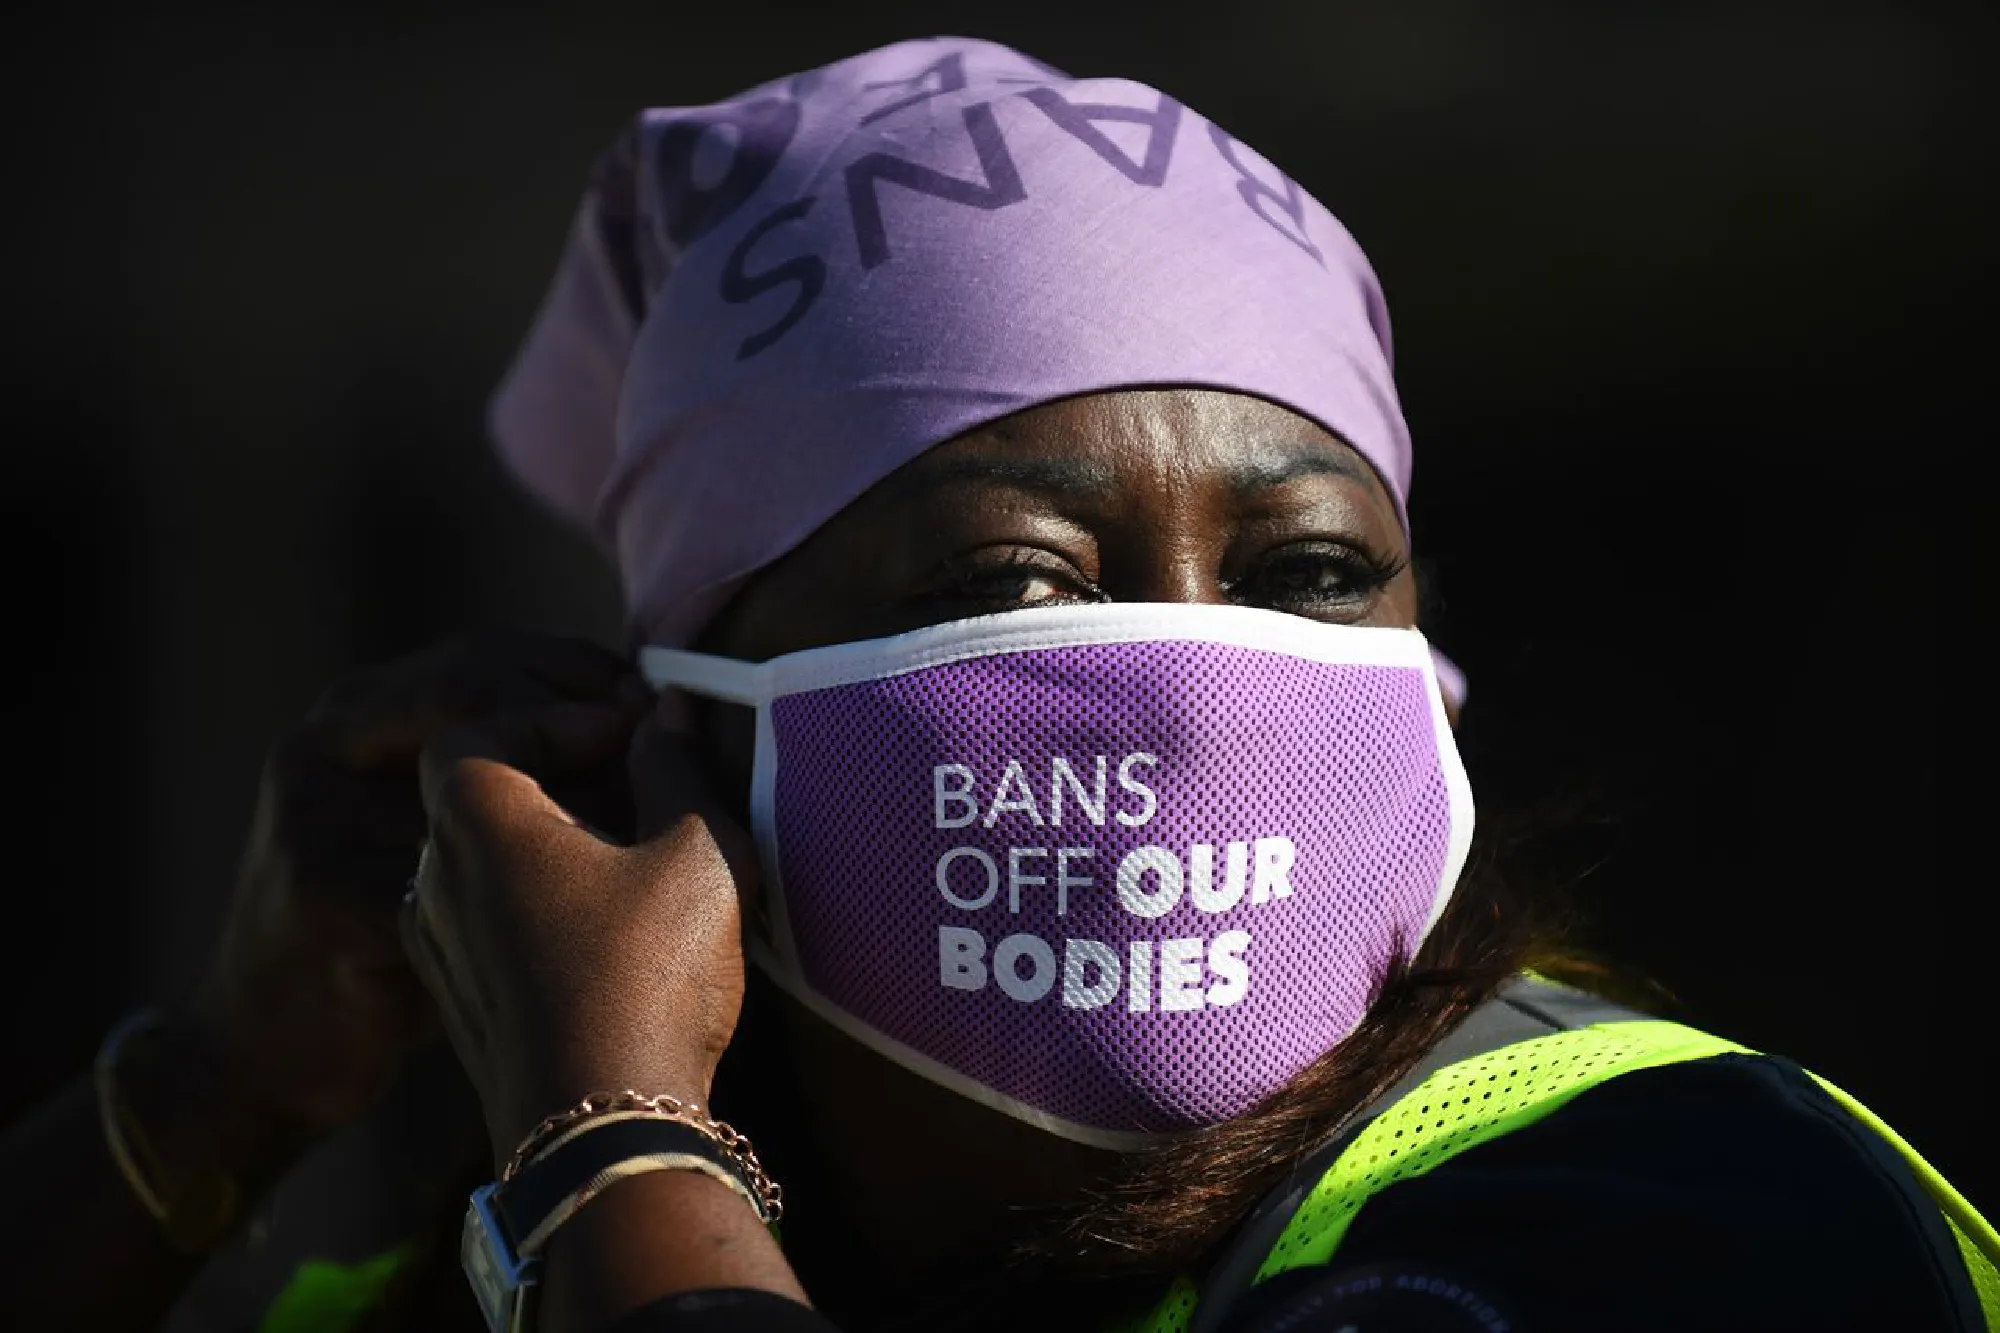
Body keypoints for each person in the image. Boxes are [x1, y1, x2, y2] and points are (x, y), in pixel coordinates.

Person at [5, 36, 1994, 1333]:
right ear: (682, 731)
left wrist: (614, 1141)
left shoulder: (1686, 1208)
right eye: (1013, 579)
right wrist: (225, 1089)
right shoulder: (486, 1286)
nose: (1196, 682)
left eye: (1306, 570)